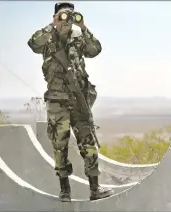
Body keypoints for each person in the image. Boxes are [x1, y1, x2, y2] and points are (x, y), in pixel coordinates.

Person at [27, 2, 113, 202]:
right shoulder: (48, 38)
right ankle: (64, 190)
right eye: (62, 14)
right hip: (57, 101)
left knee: (89, 144)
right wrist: (53, 25)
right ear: (56, 16)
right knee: (60, 146)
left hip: (77, 100)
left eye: (70, 15)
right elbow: (33, 44)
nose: (67, 19)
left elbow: (96, 49)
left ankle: (95, 188)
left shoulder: (78, 38)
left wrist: (83, 27)